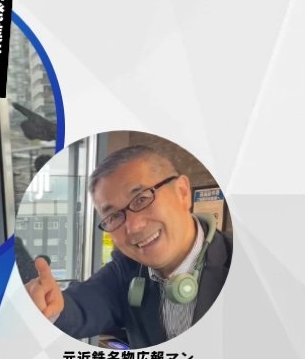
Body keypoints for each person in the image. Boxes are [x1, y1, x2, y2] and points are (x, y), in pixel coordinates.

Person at [25, 145, 231, 347]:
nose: (133, 227)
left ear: (182, 192)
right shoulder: (127, 269)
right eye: (114, 216)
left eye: (141, 199)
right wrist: (44, 303)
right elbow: (79, 307)